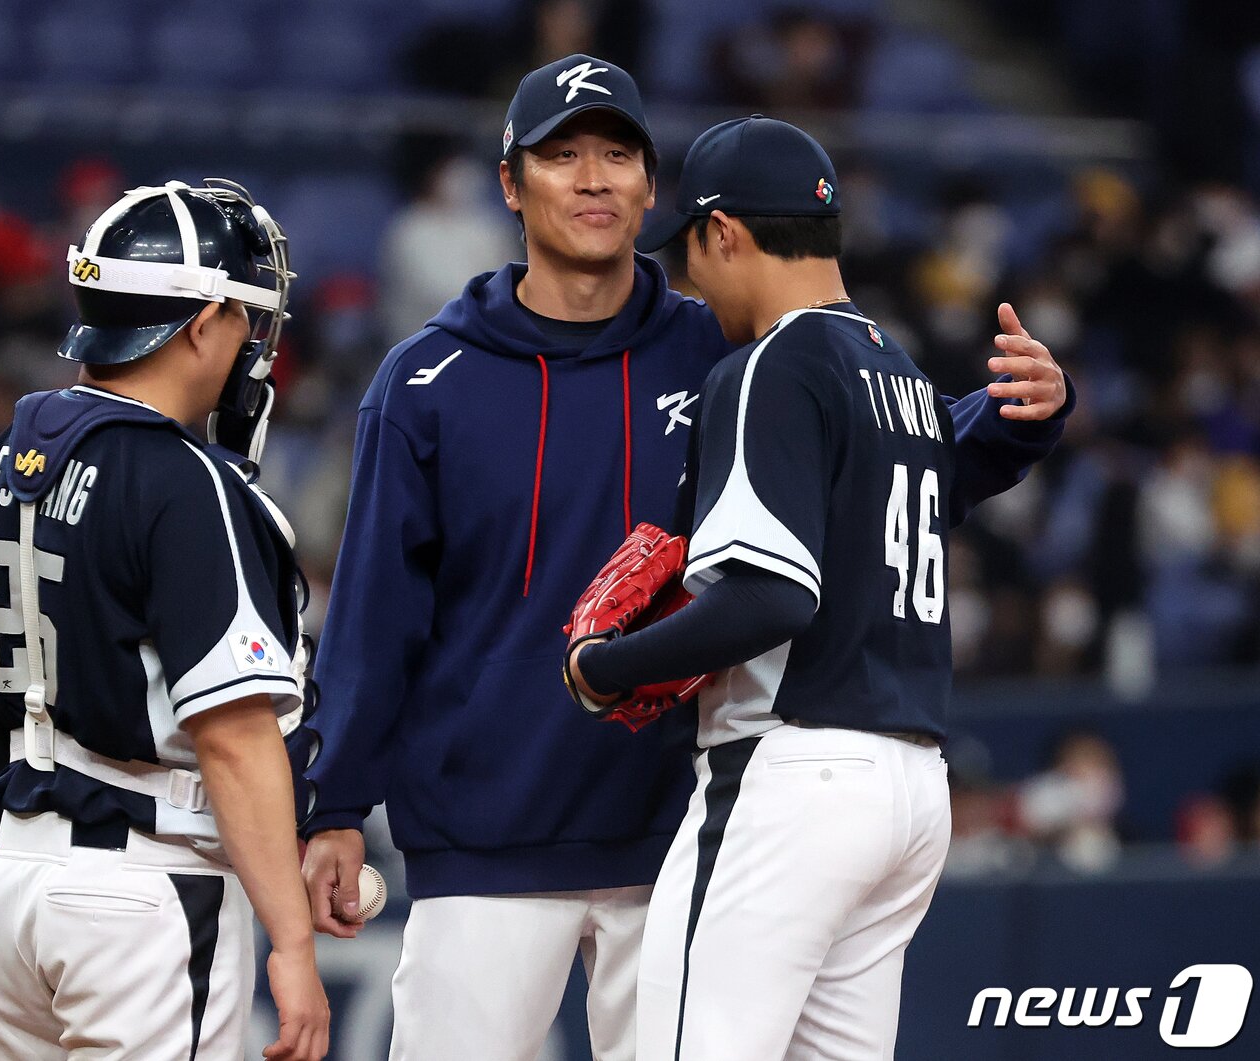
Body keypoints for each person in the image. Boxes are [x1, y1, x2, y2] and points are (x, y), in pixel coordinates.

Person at [299, 56, 1069, 1061]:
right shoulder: (427, 376)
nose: (590, 178)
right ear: (508, 183)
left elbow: (865, 485)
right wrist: (338, 801)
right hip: (485, 831)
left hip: (682, 822)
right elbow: (373, 611)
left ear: (654, 188)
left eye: (615, 153)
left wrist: (1004, 423)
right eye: (560, 154)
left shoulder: (727, 343)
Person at [565, 116, 1073, 1059]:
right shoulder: (900, 369)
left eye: (694, 254)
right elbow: (947, 468)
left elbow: (769, 598)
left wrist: (609, 664)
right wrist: (1032, 421)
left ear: (725, 233)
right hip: (912, 790)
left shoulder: (767, 364)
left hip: (791, 778)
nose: (692, 282)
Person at [0, 180, 331, 1061]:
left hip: (12, 883)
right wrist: (293, 943)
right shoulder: (188, 482)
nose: (252, 350)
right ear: (201, 324)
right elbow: (233, 737)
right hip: (148, 886)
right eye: (243, 321)